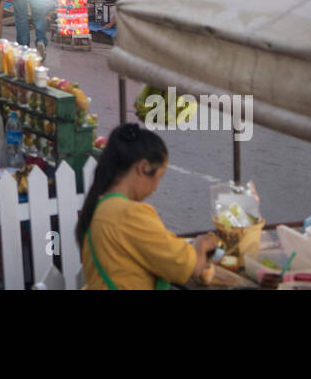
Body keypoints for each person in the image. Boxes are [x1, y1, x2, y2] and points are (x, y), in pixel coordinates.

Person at [79, 124, 218, 290]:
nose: (156, 187)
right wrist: (202, 244)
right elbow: (188, 266)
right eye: (159, 177)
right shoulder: (129, 214)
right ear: (143, 168)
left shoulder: (99, 207)